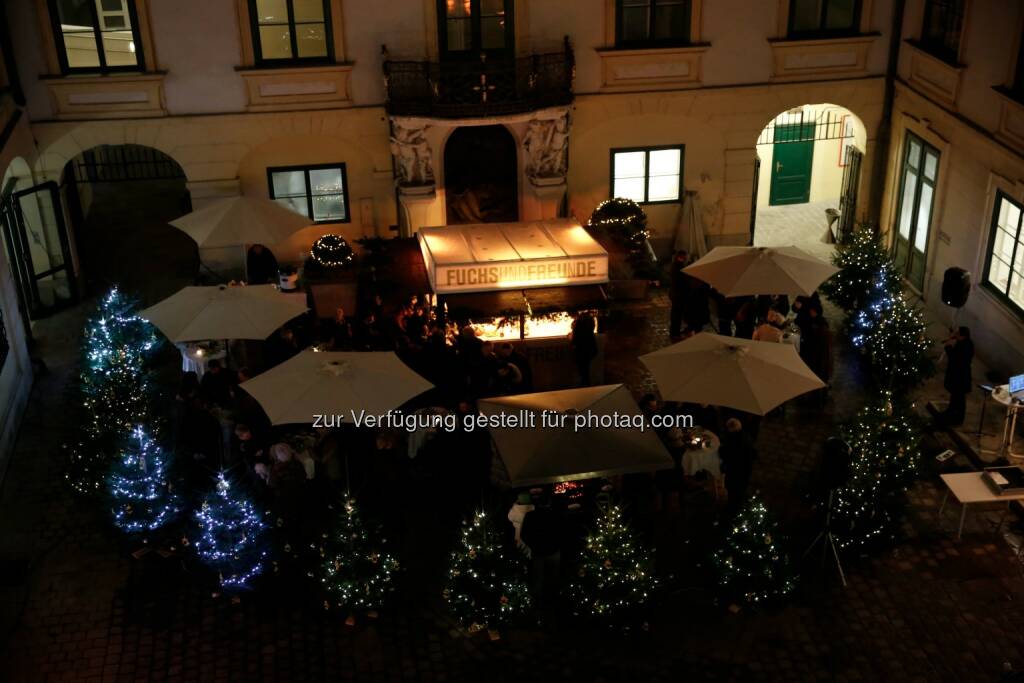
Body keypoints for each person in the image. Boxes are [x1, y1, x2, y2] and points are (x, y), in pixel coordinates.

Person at [520, 496, 563, 619]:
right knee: (553, 578)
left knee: (538, 579)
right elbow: (562, 531)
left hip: (538, 552)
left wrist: (534, 545)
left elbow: (524, 534)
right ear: (549, 502)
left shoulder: (530, 516)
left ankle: (536, 607)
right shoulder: (555, 514)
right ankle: (552, 603)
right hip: (553, 551)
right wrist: (556, 545)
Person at [719, 417, 756, 514]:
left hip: (735, 471)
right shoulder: (746, 436)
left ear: (731, 429)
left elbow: (724, 453)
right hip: (746, 470)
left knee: (733, 491)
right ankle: (737, 506)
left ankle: (732, 510)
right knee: (740, 490)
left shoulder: (733, 440)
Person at [941, 326, 974, 426]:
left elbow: (954, 358)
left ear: (961, 335)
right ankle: (950, 412)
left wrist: (948, 347)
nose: (955, 333)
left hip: (960, 377)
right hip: (960, 375)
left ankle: (957, 419)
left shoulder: (964, 346)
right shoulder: (966, 342)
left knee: (958, 398)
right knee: (955, 397)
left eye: (957, 332)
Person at [570, 312, 598, 387]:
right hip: (588, 354)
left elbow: (574, 341)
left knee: (582, 373)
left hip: (580, 354)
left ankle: (583, 387)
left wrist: (570, 337)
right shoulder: (589, 331)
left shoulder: (578, 328)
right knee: (586, 373)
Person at [668, 250, 690, 340]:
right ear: (682, 256)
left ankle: (675, 332)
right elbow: (681, 281)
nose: (686, 258)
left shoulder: (675, 265)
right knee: (677, 315)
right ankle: (675, 333)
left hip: (675, 293)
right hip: (679, 294)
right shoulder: (679, 266)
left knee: (676, 314)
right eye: (685, 256)